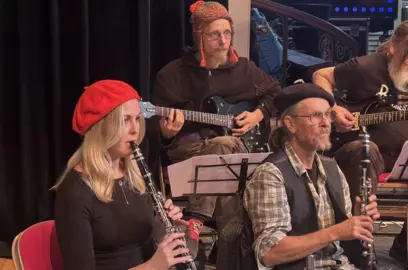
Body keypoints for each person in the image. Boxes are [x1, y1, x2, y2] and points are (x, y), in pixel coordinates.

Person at [150, 1, 280, 268]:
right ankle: (219, 248)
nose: (223, 41)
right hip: (187, 155)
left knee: (226, 161)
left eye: (227, 33)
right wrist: (166, 132)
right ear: (199, 36)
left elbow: (275, 92)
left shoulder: (244, 69)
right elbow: (157, 133)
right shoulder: (172, 74)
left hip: (235, 154)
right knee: (226, 157)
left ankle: (196, 227)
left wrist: (257, 115)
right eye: (214, 34)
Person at [312, 18, 408, 265]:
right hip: (362, 152)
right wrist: (333, 108)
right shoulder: (366, 67)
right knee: (366, 150)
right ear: (394, 47)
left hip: (407, 156)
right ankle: (361, 247)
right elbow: (320, 75)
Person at [53, 80, 192, 270]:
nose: (135, 130)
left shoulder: (135, 175)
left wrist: (161, 229)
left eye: (137, 119)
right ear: (102, 127)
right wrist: (153, 266)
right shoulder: (75, 192)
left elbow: (142, 245)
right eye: (125, 120)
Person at [243, 83, 380, 270]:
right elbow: (270, 253)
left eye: (328, 115)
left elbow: (345, 239)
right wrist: (336, 232)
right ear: (291, 124)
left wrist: (356, 219)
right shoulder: (270, 174)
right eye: (315, 116)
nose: (326, 123)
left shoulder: (332, 168)